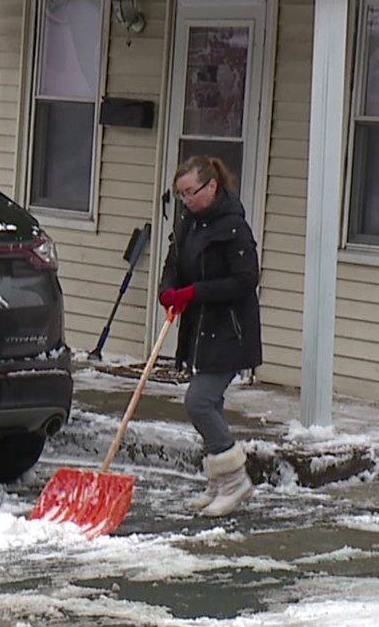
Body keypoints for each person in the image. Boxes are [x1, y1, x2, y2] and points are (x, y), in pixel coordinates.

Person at [158, 155, 263, 517]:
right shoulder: (189, 222)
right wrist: (169, 290)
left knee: (199, 401)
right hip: (200, 330)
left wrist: (194, 293)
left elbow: (246, 280)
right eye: (181, 194)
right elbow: (175, 261)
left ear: (212, 186)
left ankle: (235, 482)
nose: (185, 200)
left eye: (191, 192)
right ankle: (218, 484)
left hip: (230, 331)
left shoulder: (233, 227)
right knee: (210, 406)